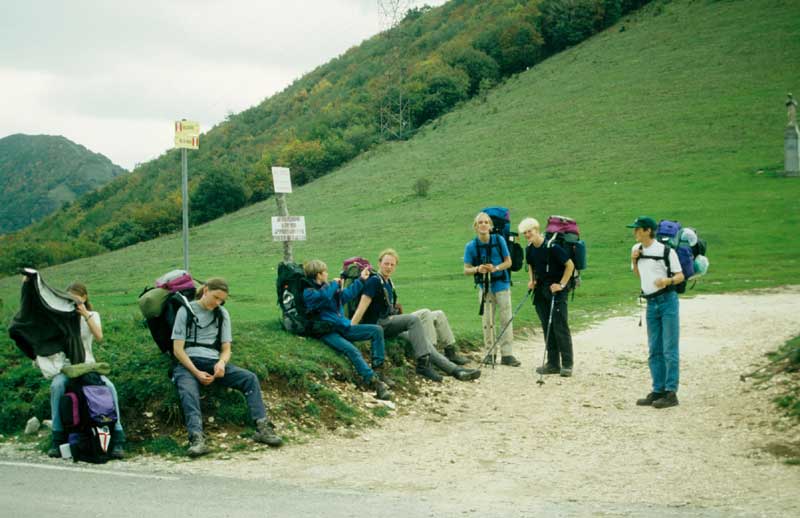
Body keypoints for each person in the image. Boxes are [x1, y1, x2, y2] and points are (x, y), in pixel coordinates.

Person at [171, 278, 283, 457]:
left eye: (221, 300)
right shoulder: (185, 311)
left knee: (249, 378)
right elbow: (177, 350)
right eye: (215, 297)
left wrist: (221, 363)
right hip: (187, 363)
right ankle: (196, 438)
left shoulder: (222, 313)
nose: (217, 303)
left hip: (213, 361)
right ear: (205, 290)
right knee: (188, 391)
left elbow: (226, 349)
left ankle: (263, 428)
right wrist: (197, 372)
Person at [350, 249, 480, 382]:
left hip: (389, 323)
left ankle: (455, 370)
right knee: (413, 319)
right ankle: (423, 365)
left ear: (395, 266)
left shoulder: (388, 282)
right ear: (379, 263)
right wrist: (351, 328)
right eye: (386, 264)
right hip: (378, 324)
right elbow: (362, 307)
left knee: (424, 341)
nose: (389, 267)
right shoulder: (374, 281)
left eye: (392, 265)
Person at [44, 282, 125, 459]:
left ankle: (117, 435)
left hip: (88, 364)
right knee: (57, 387)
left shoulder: (92, 315)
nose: (73, 303)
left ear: (84, 298)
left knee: (109, 388)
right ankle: (57, 438)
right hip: (67, 366)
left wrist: (85, 313)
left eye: (76, 300)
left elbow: (99, 336)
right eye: (69, 300)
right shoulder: (62, 319)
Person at [302, 260, 393, 400]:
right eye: (325, 271)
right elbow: (324, 297)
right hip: (327, 331)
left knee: (376, 330)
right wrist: (334, 285)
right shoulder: (308, 293)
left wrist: (361, 280)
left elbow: (344, 297)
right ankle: (375, 383)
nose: (327, 274)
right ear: (319, 275)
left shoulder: (327, 287)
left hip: (342, 326)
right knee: (352, 351)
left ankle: (378, 370)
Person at [628, 216, 684, 409]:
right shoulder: (636, 250)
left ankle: (671, 392)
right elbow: (639, 275)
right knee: (654, 349)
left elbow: (680, 275)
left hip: (667, 301)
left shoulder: (666, 251)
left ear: (648, 231)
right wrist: (634, 262)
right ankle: (658, 390)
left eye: (637, 229)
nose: (634, 232)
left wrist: (666, 281)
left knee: (669, 349)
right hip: (651, 304)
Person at [519, 218, 575, 377]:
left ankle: (567, 364)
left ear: (537, 230)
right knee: (547, 326)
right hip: (541, 291)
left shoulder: (553, 247)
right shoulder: (529, 248)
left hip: (557, 291)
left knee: (560, 326)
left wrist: (562, 285)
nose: (528, 234)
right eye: (525, 233)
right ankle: (552, 364)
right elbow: (530, 265)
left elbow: (570, 266)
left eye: (530, 231)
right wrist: (531, 280)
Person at [463, 212, 520, 366]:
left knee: (505, 319)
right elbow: (466, 269)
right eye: (480, 222)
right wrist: (478, 269)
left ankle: (507, 355)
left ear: (490, 225)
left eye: (486, 222)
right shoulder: (471, 246)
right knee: (487, 320)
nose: (483, 225)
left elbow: (508, 262)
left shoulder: (499, 240)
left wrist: (495, 268)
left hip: (502, 284)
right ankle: (490, 353)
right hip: (484, 287)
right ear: (475, 226)